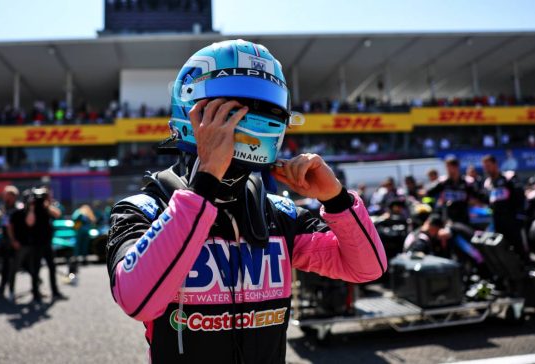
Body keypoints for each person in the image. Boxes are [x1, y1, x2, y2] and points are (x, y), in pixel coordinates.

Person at [106, 39, 387, 364]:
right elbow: (137, 300)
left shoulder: (276, 213)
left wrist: (336, 199)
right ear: (192, 107)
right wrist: (206, 180)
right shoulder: (144, 208)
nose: (252, 115)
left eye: (267, 105)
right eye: (235, 105)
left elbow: (367, 268)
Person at [482, 155, 528, 259]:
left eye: (488, 166)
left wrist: (520, 216)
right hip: (497, 221)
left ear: (495, 164)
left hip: (512, 219)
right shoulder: (487, 183)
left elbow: (520, 197)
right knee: (501, 248)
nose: (487, 169)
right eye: (485, 167)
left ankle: (526, 267)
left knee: (518, 246)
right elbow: (487, 201)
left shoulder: (509, 177)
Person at [30, 187, 66, 300]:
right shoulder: (32, 207)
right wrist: (32, 206)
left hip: (46, 242)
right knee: (36, 268)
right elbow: (30, 222)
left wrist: (47, 204)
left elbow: (57, 214)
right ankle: (35, 293)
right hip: (36, 243)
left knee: (52, 267)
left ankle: (55, 292)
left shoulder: (47, 206)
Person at [427, 157, 479, 225]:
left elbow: (478, 196)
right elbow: (429, 192)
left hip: (463, 217)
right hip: (448, 218)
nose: (448, 170)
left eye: (449, 167)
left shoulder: (467, 183)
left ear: (456, 167)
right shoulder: (443, 182)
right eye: (447, 167)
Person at [8, 189, 39, 302]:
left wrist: (31, 209)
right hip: (19, 245)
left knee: (33, 269)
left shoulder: (33, 213)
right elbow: (10, 227)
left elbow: (31, 223)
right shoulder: (17, 213)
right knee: (14, 269)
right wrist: (13, 240)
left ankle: (36, 291)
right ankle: (11, 291)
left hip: (30, 245)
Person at [0, 186, 22, 299]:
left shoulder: (19, 209)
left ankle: (11, 290)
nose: (6, 198)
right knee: (5, 266)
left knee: (19, 265)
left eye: (8, 196)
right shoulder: (2, 208)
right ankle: (2, 289)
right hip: (5, 242)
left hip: (16, 242)